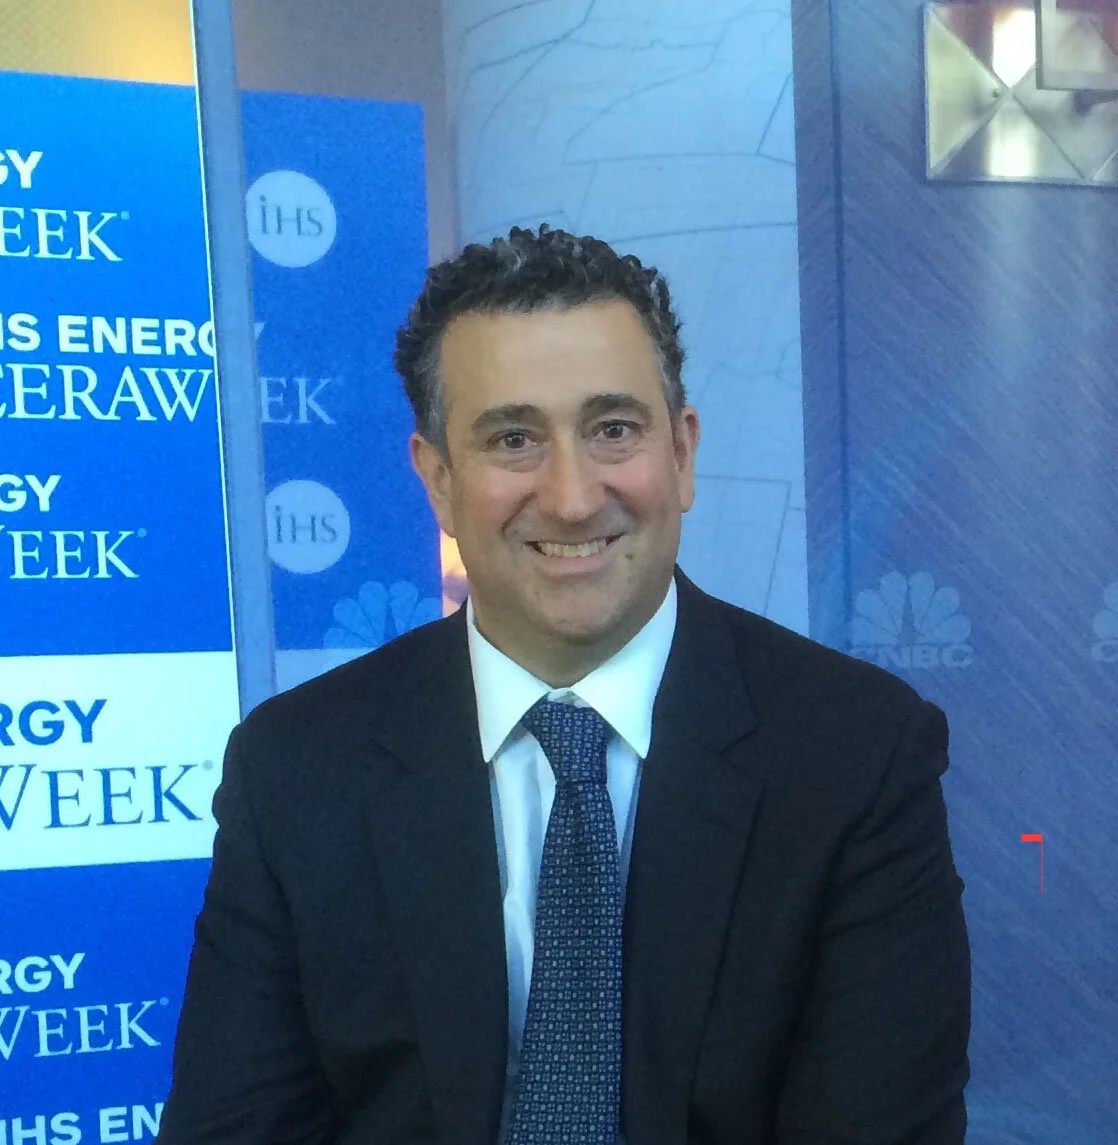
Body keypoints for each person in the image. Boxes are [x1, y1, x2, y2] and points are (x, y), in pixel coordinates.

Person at [158, 225, 971, 1145]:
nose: (573, 497)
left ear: (683, 453)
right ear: (438, 479)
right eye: (514, 438)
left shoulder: (858, 753)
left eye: (613, 429)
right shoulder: (296, 767)